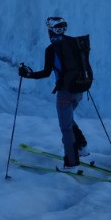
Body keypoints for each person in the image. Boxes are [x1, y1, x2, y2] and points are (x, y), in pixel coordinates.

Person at [18, 16, 88, 172]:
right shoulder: (74, 43)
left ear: (50, 31)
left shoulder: (52, 49)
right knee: (68, 119)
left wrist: (28, 74)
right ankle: (81, 145)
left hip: (65, 93)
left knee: (66, 127)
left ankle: (71, 162)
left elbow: (46, 73)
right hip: (79, 91)